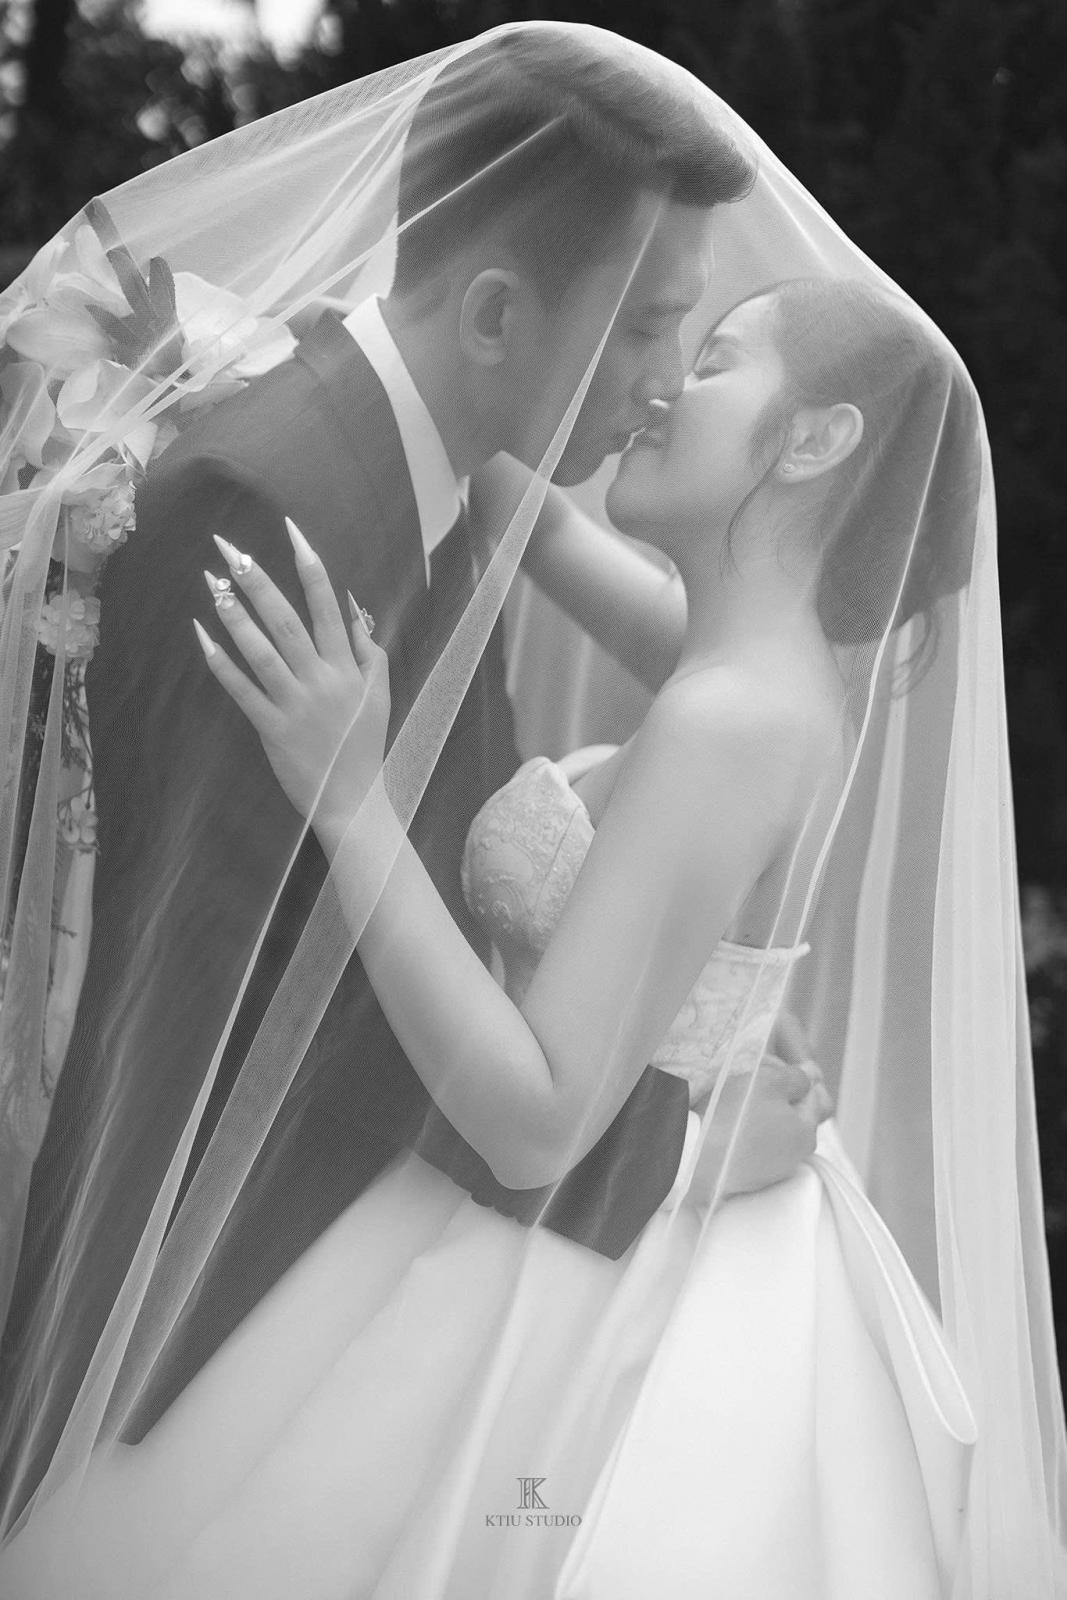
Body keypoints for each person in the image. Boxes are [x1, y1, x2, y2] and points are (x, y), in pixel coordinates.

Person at [0, 23, 1064, 1600]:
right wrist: (320, 370)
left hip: (547, 1213)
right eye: (656, 333)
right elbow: (522, 511)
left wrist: (356, 798)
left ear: (815, 441)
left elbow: (536, 1101)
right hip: (421, 1204)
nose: (662, 384)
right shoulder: (716, 643)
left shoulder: (735, 710)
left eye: (705, 354)